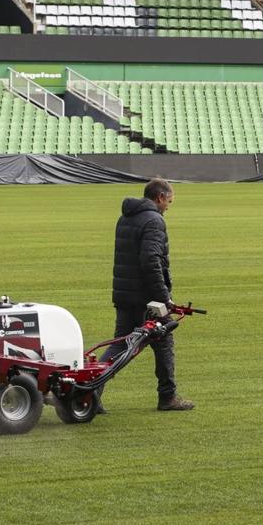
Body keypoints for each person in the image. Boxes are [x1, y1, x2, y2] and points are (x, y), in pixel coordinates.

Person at [103, 177, 195, 412]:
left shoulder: (125, 217)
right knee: (164, 340)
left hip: (124, 293)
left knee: (121, 344)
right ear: (160, 197)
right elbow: (151, 261)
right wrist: (164, 298)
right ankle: (168, 397)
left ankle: (91, 389)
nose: (168, 207)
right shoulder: (154, 221)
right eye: (169, 202)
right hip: (148, 298)